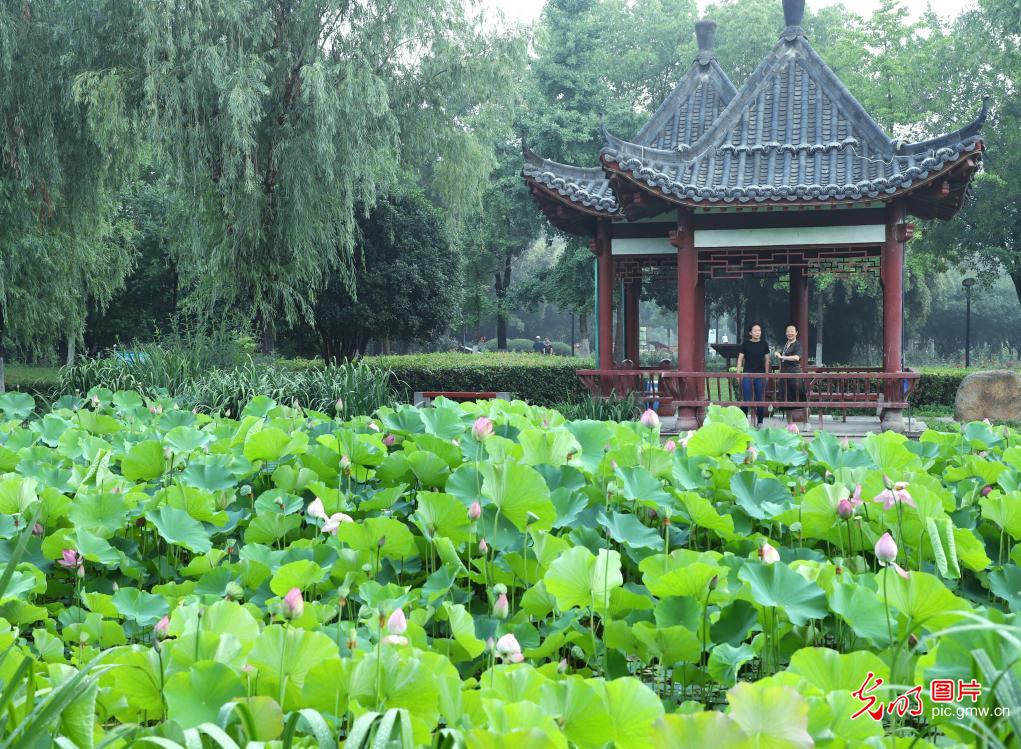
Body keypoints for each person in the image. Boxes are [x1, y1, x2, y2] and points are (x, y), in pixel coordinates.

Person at [736, 322, 770, 426]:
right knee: (746, 399)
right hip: (747, 374)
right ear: (750, 332)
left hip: (760, 375)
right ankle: (744, 422)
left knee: (759, 398)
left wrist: (767, 374)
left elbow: (767, 360)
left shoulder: (764, 344)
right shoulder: (745, 344)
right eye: (755, 331)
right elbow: (740, 359)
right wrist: (738, 374)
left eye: (759, 330)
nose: (757, 332)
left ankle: (760, 422)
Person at [774, 323, 804, 413]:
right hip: (784, 375)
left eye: (792, 331)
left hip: (795, 375)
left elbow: (796, 357)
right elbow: (779, 353)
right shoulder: (785, 344)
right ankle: (789, 424)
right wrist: (777, 353)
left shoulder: (798, 345)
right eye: (788, 331)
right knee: (786, 400)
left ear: (796, 333)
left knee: (801, 398)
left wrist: (782, 357)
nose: (789, 333)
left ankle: (806, 423)